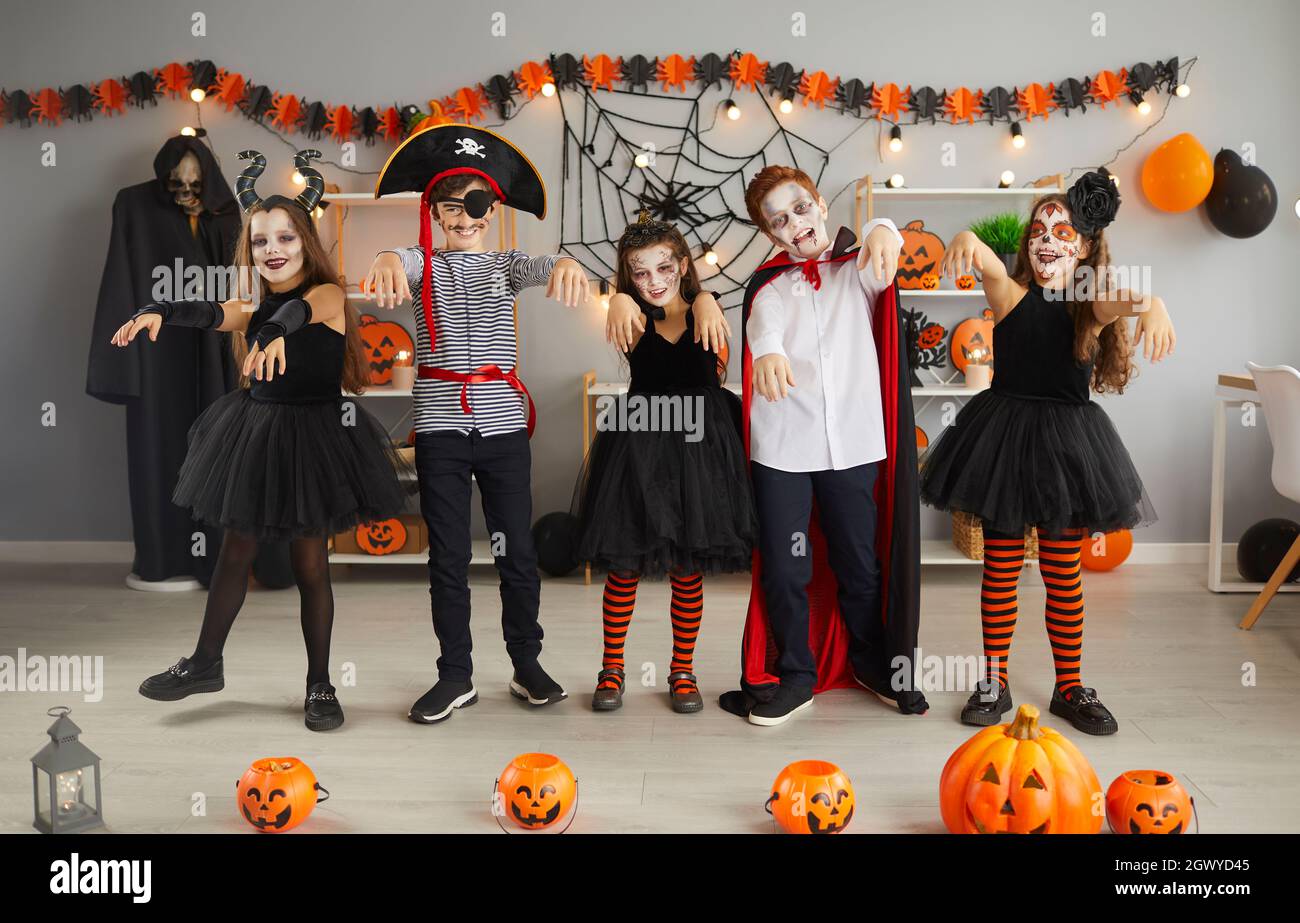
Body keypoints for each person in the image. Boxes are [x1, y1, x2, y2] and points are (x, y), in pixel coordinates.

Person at [120, 150, 412, 731]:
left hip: (315, 439)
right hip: (256, 431)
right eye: (259, 242)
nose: (272, 250)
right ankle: (205, 662)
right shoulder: (256, 303)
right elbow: (215, 312)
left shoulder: (328, 295)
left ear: (305, 241)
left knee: (310, 565)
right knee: (235, 550)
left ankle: (320, 684)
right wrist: (161, 309)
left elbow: (303, 311)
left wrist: (277, 330)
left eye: (284, 238)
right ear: (248, 249)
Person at [920, 168, 1173, 735]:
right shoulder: (1010, 296)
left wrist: (1152, 303)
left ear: (1085, 248)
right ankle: (994, 679)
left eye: (1063, 232)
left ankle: (1069, 686)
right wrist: (968, 242)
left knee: (1063, 573)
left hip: (1068, 452)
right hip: (1003, 443)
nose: (1047, 241)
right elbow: (985, 262)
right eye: (1039, 229)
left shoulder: (1089, 306)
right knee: (1001, 568)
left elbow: (1121, 302)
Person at [364, 124, 589, 723]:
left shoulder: (508, 265)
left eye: (475, 204)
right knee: (447, 556)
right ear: (433, 212)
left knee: (516, 551)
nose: (462, 217)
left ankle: (526, 663)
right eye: (448, 206)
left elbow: (547, 263)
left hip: (503, 427)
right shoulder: (422, 263)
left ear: (492, 209)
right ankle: (455, 674)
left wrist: (565, 263)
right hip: (440, 426)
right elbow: (397, 258)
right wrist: (387, 254)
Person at [720, 164, 929, 727]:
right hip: (785, 449)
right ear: (771, 236)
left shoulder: (856, 269)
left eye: (802, 208)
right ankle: (794, 674)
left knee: (860, 563)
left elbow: (882, 251)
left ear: (821, 205)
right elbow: (763, 318)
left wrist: (885, 227)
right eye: (780, 221)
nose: (796, 224)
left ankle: (871, 662)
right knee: (788, 568)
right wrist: (767, 350)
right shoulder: (769, 284)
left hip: (854, 446)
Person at [575, 211, 755, 713]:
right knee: (625, 566)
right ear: (628, 275)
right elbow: (626, 305)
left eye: (663, 268)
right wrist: (615, 298)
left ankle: (682, 669)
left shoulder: (706, 308)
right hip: (640, 448)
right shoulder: (628, 316)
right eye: (640, 272)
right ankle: (612, 668)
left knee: (687, 569)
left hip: (700, 452)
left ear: (682, 265)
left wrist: (703, 298)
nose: (654, 281)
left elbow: (714, 364)